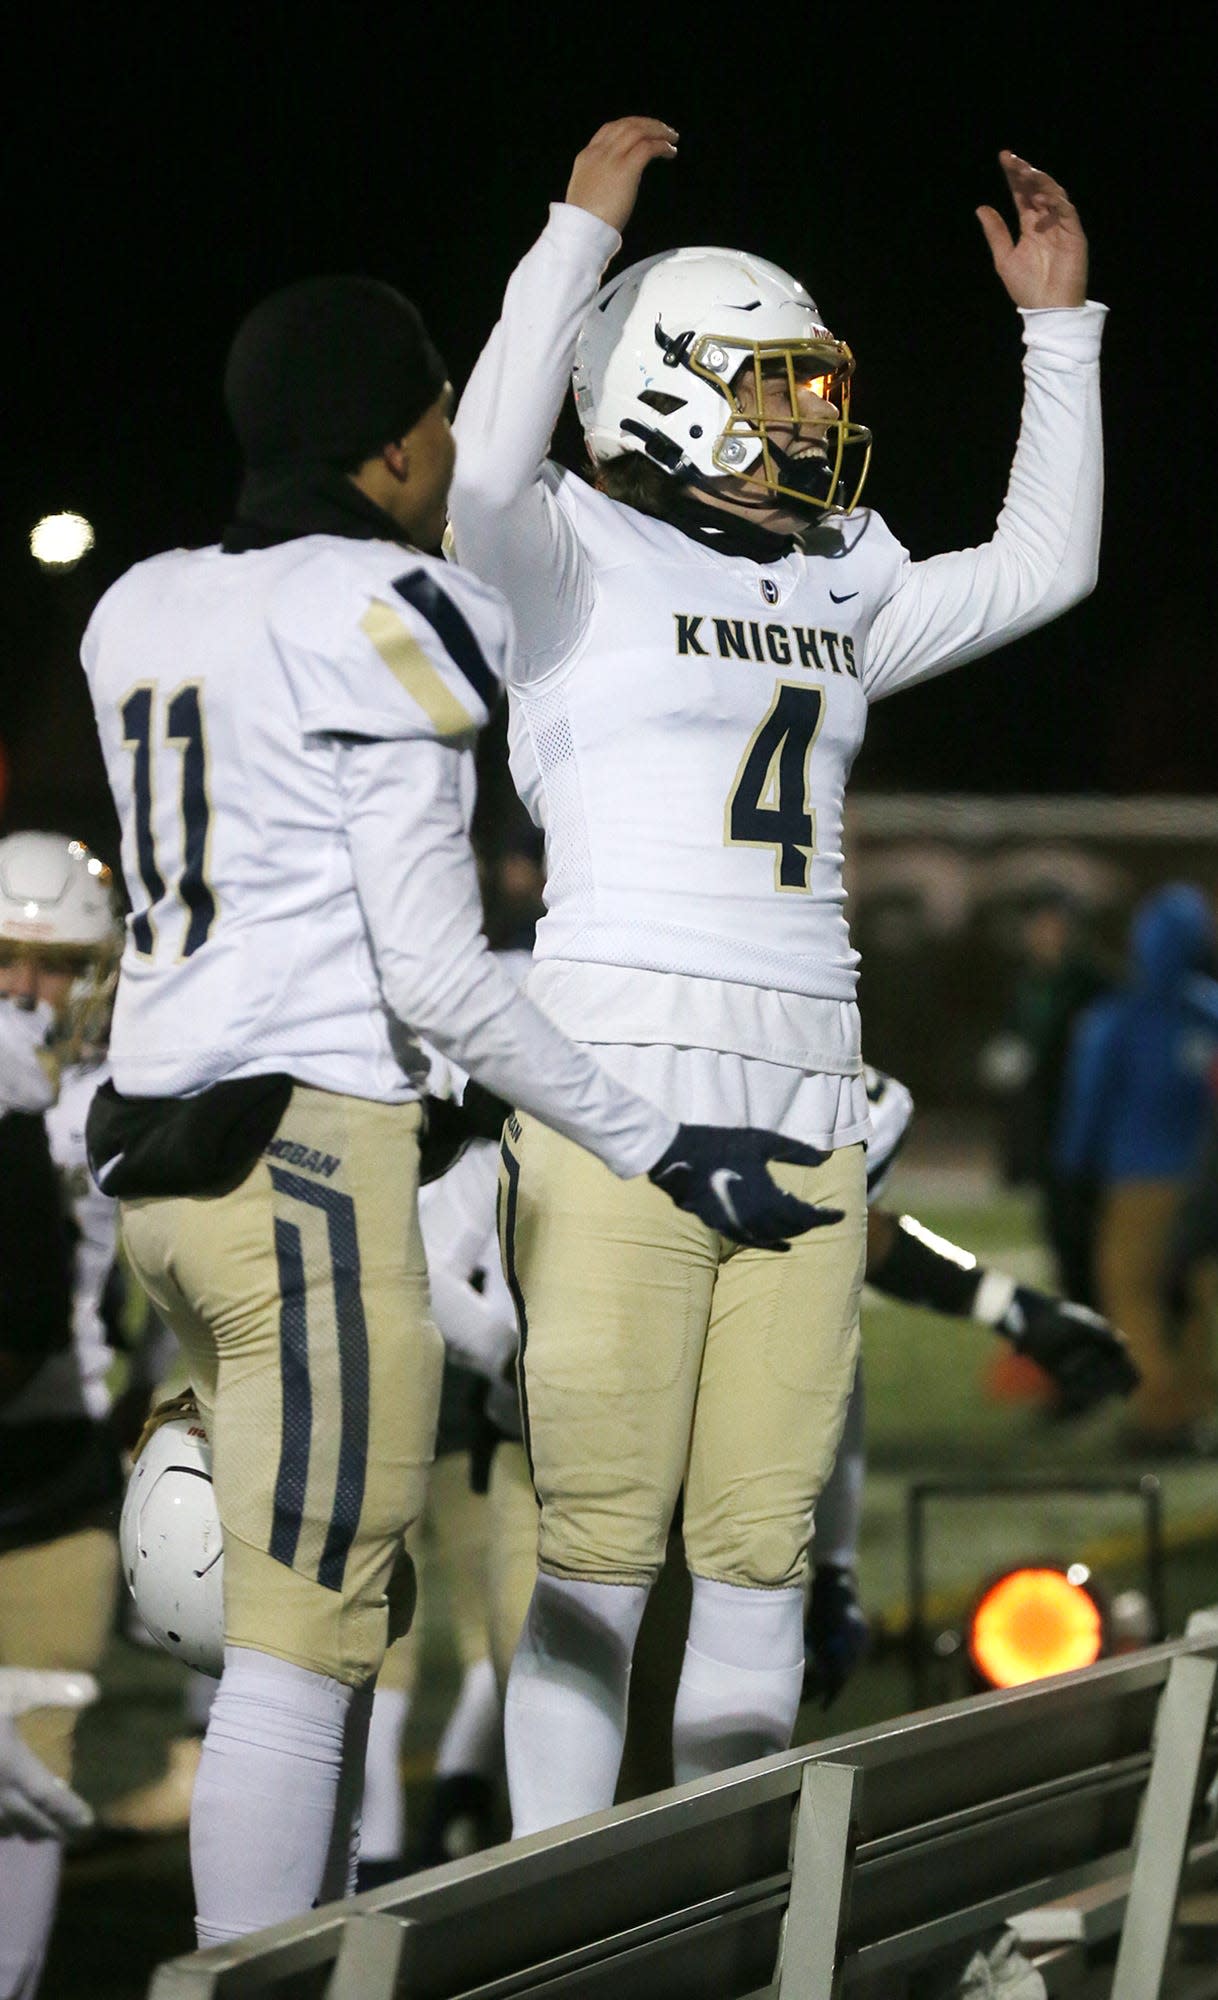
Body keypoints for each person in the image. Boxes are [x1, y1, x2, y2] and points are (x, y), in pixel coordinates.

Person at [78, 278, 828, 1945]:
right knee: (308, 1633)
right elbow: (433, 970)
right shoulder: (388, 600)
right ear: (406, 441)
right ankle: (267, 1980)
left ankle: (284, 1948)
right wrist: (648, 1136)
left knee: (275, 1599)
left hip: (160, 1162)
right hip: (309, 1167)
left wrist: (573, 230)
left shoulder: (135, 604)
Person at [446, 116, 1105, 1832]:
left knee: (751, 1553)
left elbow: (1048, 569)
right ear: (661, 389)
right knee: (596, 1551)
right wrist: (573, 238)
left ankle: (721, 1905)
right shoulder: (562, 561)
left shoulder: (833, 578)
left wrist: (1057, 331)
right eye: (770, 387)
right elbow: (488, 468)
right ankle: (548, 1916)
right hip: (616, 1093)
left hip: (808, 1089)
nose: (806, 418)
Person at [0, 830, 122, 2000]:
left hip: (57, 1475)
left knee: (35, 1781)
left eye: (58, 961)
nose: (29, 988)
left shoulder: (125, 1096)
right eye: (4, 957)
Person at [1055, 883, 1218, 1451]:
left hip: (1137, 1183)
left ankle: (1160, 1414)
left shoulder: (1116, 1020)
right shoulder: (1211, 1011)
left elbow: (1090, 1103)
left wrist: (1072, 1167)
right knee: (1200, 1296)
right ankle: (1197, 1406)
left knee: (1131, 1294)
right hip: (1205, 1184)